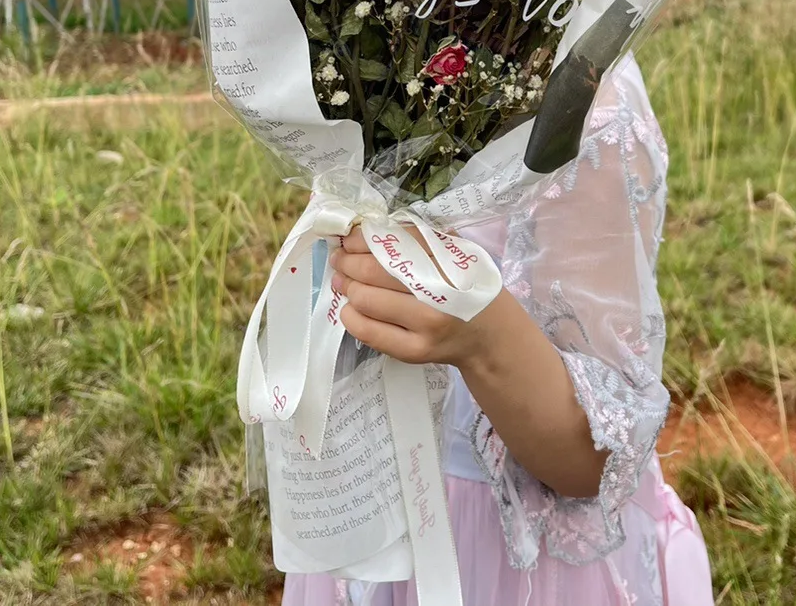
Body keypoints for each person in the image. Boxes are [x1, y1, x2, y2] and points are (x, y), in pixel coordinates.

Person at [281, 57, 715, 606]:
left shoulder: (583, 108)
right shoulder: (372, 65)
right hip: (368, 509)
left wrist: (482, 339)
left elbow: (594, 464)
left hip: (501, 559)